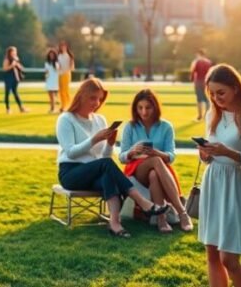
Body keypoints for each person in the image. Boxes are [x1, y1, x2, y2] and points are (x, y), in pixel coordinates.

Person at [56, 78, 171, 238]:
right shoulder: (66, 119)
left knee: (108, 175)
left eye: (99, 99)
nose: (96, 103)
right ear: (81, 96)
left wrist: (110, 144)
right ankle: (143, 202)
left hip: (95, 172)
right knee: (106, 166)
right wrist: (94, 139)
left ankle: (115, 224)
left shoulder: (99, 119)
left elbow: (104, 157)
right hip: (71, 173)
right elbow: (70, 152)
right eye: (92, 98)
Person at [198, 64, 241, 287]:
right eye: (212, 93)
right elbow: (208, 158)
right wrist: (205, 154)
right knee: (212, 255)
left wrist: (228, 152)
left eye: (221, 92)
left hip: (237, 187)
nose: (216, 98)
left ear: (235, 88)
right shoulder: (212, 115)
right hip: (214, 183)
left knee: (229, 259)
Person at [118, 90, 194, 233]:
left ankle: (161, 219)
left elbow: (171, 156)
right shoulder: (130, 126)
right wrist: (131, 152)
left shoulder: (166, 127)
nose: (144, 112)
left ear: (155, 108)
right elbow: (121, 157)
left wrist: (157, 153)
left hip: (159, 170)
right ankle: (182, 213)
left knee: (154, 172)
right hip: (135, 169)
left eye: (148, 107)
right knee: (156, 161)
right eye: (140, 108)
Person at [2, 46, 27, 114]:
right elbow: (5, 69)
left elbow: (21, 68)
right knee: (7, 93)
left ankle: (21, 108)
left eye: (15, 51)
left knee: (15, 93)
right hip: (8, 78)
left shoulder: (15, 59)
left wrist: (18, 64)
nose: (14, 53)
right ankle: (8, 108)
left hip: (15, 78)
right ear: (9, 52)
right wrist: (12, 65)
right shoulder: (7, 59)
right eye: (13, 51)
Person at [190, 49, 213, 121]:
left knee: (199, 99)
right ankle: (206, 115)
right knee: (207, 99)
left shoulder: (196, 62)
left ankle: (199, 116)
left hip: (198, 82)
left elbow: (192, 72)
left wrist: (192, 79)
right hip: (207, 82)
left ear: (198, 54)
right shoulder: (209, 62)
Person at [56, 41, 73, 112]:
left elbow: (72, 66)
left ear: (66, 47)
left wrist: (69, 69)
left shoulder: (69, 56)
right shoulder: (59, 56)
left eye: (64, 46)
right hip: (60, 74)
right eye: (61, 46)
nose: (63, 48)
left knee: (65, 90)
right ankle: (63, 105)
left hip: (66, 74)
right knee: (61, 91)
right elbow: (58, 65)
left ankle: (69, 105)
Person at [44, 49, 59, 113]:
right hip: (49, 80)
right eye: (50, 55)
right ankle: (52, 108)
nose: (51, 56)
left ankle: (53, 108)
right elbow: (46, 72)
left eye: (52, 55)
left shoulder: (57, 63)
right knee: (50, 95)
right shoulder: (47, 63)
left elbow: (57, 70)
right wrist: (46, 77)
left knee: (54, 95)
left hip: (55, 80)